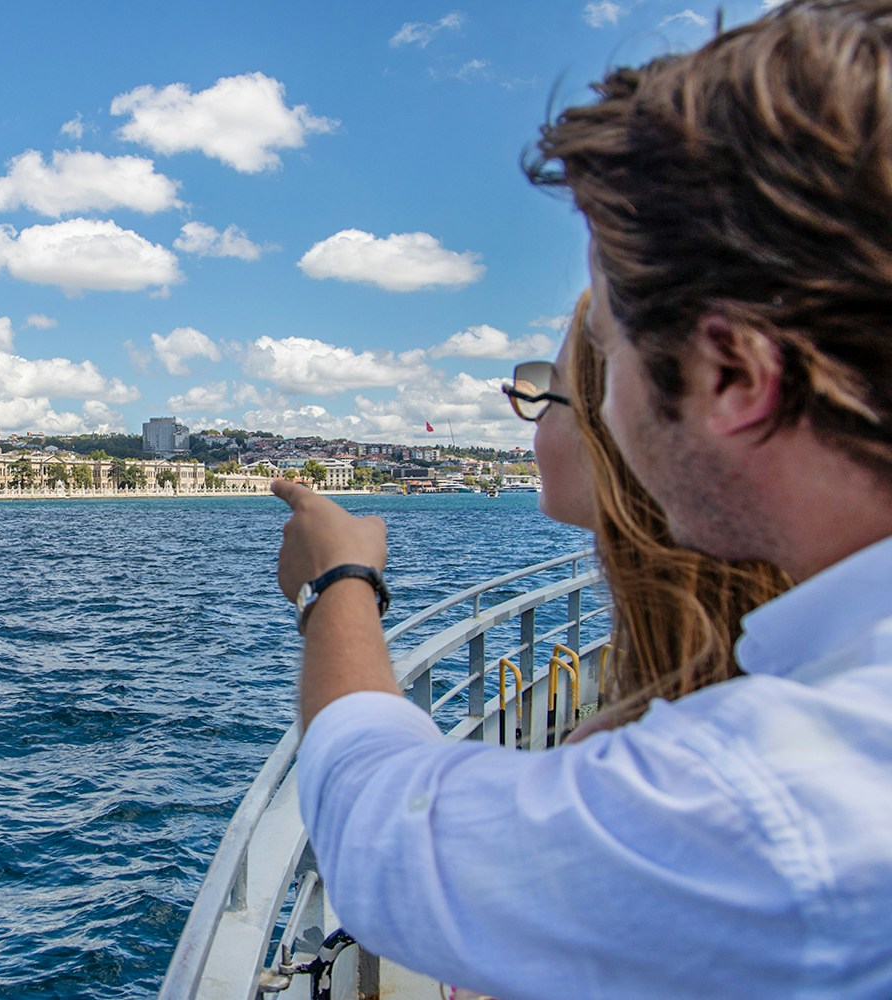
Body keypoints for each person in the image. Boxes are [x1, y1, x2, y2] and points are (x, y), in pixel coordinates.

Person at [273, 2, 892, 995]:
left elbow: (387, 836)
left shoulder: (780, 803)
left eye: (614, 344)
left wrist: (339, 580)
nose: (599, 398)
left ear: (734, 373)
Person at [509, 292, 790, 739]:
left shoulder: (677, 750)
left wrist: (355, 577)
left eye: (548, 397)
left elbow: (402, 799)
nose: (534, 423)